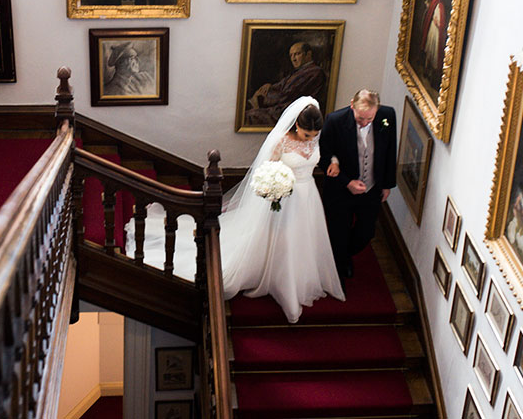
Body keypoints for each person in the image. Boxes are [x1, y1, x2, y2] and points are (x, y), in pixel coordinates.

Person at [125, 97, 345, 323]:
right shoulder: (281, 141)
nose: (310, 139)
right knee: (283, 239)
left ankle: (302, 277)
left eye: (314, 135)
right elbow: (267, 169)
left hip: (308, 197)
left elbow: (329, 150)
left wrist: (335, 162)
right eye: (306, 135)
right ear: (297, 125)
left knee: (304, 238)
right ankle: (284, 284)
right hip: (284, 198)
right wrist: (274, 186)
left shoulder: (316, 138)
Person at [317, 89, 397, 279]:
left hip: (371, 188)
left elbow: (390, 150)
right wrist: (346, 181)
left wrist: (386, 184)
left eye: (369, 119)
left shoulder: (388, 116)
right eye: (360, 118)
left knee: (366, 232)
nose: (364, 122)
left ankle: (341, 254)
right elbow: (322, 155)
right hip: (340, 190)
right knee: (339, 231)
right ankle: (340, 265)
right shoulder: (334, 121)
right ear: (352, 105)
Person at [246, 42, 327, 126]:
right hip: (284, 108)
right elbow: (281, 86)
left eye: (297, 54)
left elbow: (289, 94)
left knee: (250, 115)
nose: (293, 59)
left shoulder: (314, 72)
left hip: (293, 113)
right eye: (291, 55)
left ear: (308, 54)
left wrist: (262, 98)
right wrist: (269, 87)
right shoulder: (299, 71)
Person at [419, 0, 447, 79]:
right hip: (432, 31)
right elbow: (430, 12)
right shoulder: (435, 0)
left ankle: (430, 72)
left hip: (436, 33)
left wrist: (438, 24)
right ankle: (426, 68)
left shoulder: (442, 6)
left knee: (434, 53)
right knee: (429, 51)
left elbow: (442, 24)